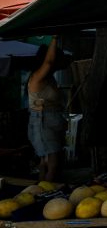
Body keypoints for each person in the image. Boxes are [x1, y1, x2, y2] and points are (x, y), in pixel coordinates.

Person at [27, 37, 70, 182]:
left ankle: (43, 188)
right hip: (42, 121)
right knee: (52, 162)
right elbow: (49, 61)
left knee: (48, 161)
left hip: (52, 120)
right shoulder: (37, 77)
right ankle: (46, 191)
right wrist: (54, 38)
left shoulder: (50, 78)